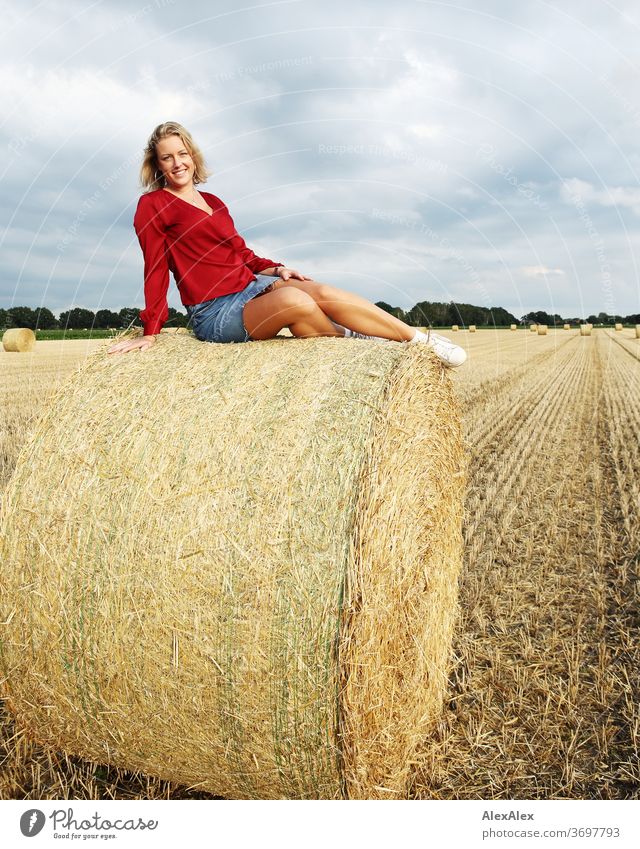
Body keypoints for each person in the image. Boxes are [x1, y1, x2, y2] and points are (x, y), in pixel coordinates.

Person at [107, 122, 466, 367]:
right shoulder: (152, 205)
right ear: (157, 164)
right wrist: (151, 331)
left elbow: (241, 254)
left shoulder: (214, 202)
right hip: (215, 312)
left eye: (181, 153)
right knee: (296, 300)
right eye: (167, 157)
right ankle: (364, 339)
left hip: (252, 286)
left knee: (314, 289)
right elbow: (154, 268)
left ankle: (419, 342)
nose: (177, 162)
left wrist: (276, 269)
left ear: (192, 155)